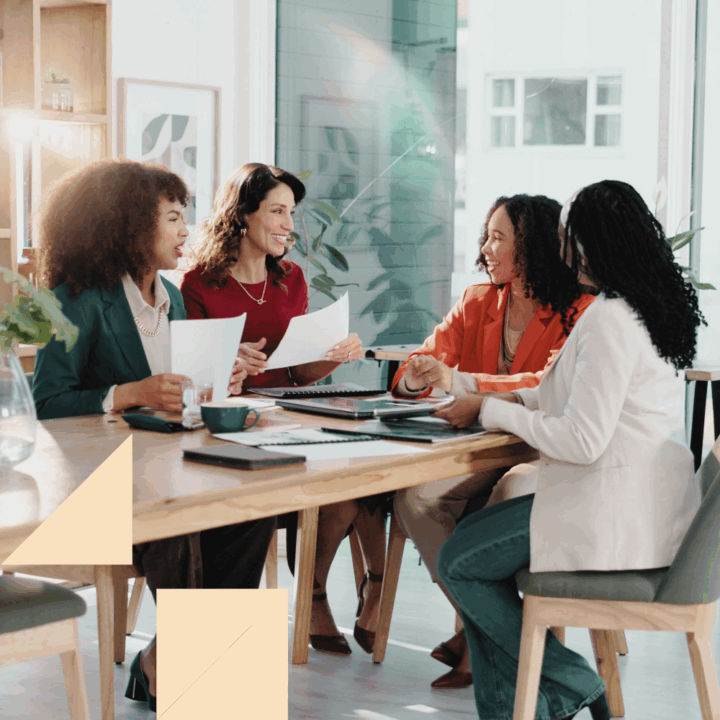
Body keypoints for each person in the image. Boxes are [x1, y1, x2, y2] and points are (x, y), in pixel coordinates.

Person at [434, 180, 704, 720]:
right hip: (636, 500)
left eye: (569, 239)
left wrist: (488, 410)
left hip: (608, 507)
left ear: (593, 244)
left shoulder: (608, 319)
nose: (563, 251)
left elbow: (582, 439)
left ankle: (572, 677)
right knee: (470, 549)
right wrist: (479, 394)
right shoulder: (638, 309)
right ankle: (523, 705)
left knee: (459, 562)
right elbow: (563, 394)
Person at [32, 159, 274, 713]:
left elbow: (181, 391)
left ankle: (167, 663)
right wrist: (132, 391)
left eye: (184, 216)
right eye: (172, 217)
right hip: (99, 484)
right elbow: (46, 402)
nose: (186, 229)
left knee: (252, 506)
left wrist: (221, 378)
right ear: (127, 226)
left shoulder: (176, 298)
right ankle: (199, 683)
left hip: (172, 463)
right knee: (178, 518)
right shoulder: (78, 298)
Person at [391, 194, 596, 688]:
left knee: (496, 502)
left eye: (497, 238)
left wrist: (461, 382)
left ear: (532, 248)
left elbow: (543, 390)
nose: (485, 247)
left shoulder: (580, 310)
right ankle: (493, 630)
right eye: (487, 235)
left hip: (539, 448)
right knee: (416, 498)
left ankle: (483, 639)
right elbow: (412, 373)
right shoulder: (476, 301)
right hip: (476, 446)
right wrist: (418, 377)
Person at [180, 163, 382, 658]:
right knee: (261, 504)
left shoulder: (291, 279)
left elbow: (298, 377)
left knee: (349, 479)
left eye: (291, 213)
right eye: (276, 211)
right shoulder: (198, 284)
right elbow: (190, 372)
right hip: (226, 426)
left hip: (285, 415)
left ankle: (313, 592)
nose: (288, 224)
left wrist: (330, 355)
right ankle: (282, 615)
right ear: (242, 215)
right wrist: (230, 362)